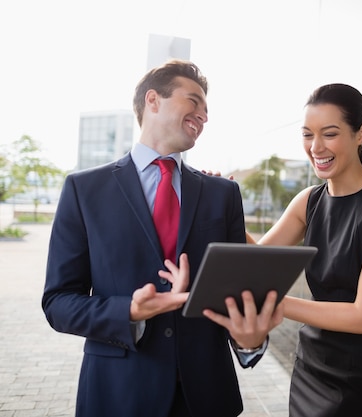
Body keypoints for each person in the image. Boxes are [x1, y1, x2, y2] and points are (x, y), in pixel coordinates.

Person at [42, 59, 282, 417]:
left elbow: (236, 293)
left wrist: (250, 341)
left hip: (205, 396)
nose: (203, 115)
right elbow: (58, 302)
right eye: (194, 101)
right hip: (118, 393)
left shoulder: (222, 194)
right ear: (152, 100)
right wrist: (129, 311)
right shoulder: (84, 190)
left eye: (206, 109)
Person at [236, 83, 362, 416]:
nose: (316, 147)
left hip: (361, 377)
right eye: (307, 134)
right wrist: (220, 203)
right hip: (311, 365)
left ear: (360, 133)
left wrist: (276, 302)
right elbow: (259, 257)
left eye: (329, 134)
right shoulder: (308, 200)